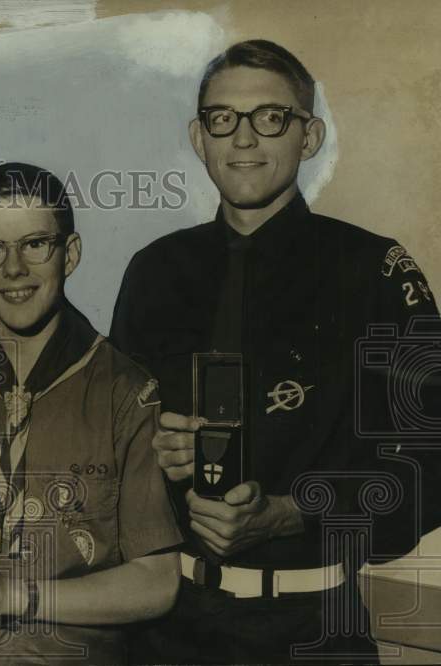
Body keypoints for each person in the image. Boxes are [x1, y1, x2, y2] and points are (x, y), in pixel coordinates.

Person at [110, 39, 440, 664]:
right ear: (198, 135)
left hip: (311, 628)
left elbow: (434, 462)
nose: (243, 139)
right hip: (164, 630)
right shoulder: (154, 271)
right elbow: (107, 447)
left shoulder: (372, 270)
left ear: (308, 135)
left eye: (271, 117)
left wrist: (293, 512)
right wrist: (151, 450)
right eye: (222, 119)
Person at [0, 162, 181, 665]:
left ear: (71, 253)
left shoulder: (125, 392)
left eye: (35, 243)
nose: (13, 268)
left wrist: (18, 595)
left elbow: (158, 582)